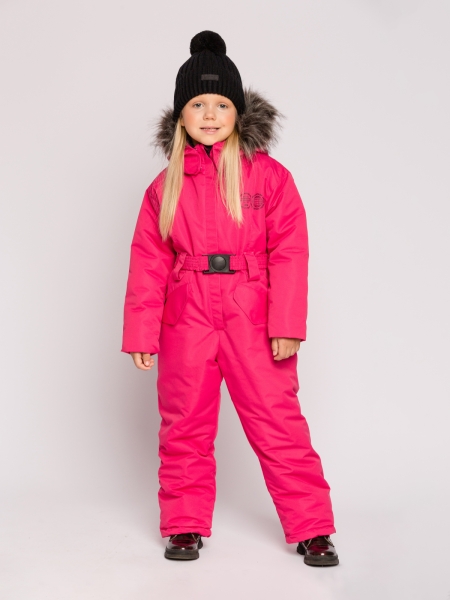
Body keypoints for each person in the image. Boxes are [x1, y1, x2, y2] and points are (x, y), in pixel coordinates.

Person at [121, 30, 339, 567]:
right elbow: (149, 260)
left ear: (239, 112)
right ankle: (184, 523)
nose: (210, 115)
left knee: (277, 421)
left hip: (252, 312)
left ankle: (312, 527)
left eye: (221, 104)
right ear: (181, 115)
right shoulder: (164, 186)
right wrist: (141, 332)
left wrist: (287, 324)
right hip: (187, 315)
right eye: (198, 104)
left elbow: (290, 251)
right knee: (185, 423)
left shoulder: (269, 177)